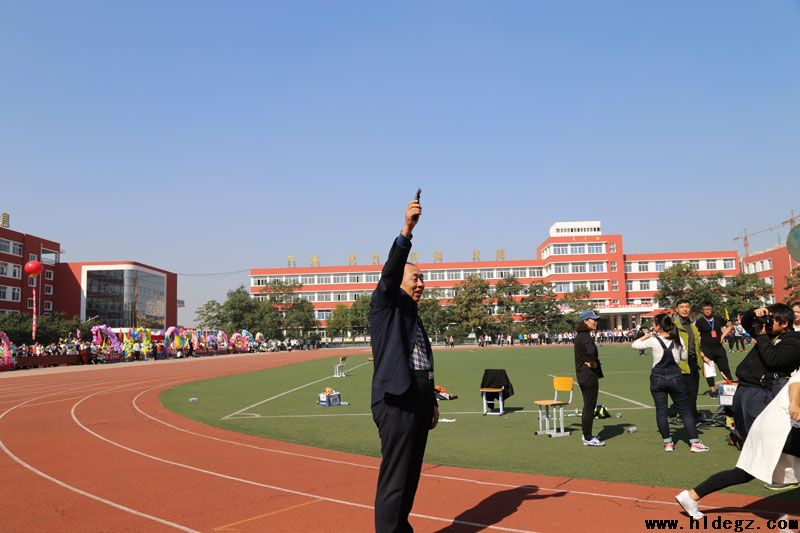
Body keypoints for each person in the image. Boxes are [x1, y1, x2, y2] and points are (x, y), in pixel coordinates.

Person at [369, 196, 439, 532]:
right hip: (396, 399)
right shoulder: (385, 303)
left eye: (424, 278)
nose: (422, 283)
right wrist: (407, 231)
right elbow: (392, 269)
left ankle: (401, 528)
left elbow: (422, 360)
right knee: (395, 478)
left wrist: (432, 400)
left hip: (419, 398)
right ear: (399, 281)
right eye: (417, 278)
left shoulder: (413, 314)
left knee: (411, 474)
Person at [675, 370, 800, 519]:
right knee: (746, 471)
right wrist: (794, 403)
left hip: (775, 427)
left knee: (744, 473)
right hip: (780, 428)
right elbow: (796, 382)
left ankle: (691, 496)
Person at [631, 314, 709, 452]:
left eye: (655, 324)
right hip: (676, 377)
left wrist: (648, 335)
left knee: (661, 411)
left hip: (657, 378)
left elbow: (635, 345)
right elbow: (684, 357)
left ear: (658, 326)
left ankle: (668, 443)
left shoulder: (654, 340)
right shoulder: (678, 339)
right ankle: (694, 443)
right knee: (685, 411)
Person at [667, 299, 704, 421]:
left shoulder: (692, 326)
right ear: (676, 310)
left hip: (693, 362)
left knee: (693, 393)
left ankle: (683, 414)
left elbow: (696, 346)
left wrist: (702, 361)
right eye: (681, 307)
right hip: (680, 364)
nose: (684, 309)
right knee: (686, 393)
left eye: (687, 306)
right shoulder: (673, 326)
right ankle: (690, 418)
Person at [574, 310, 605, 447]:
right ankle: (587, 437)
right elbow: (591, 351)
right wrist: (592, 361)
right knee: (589, 406)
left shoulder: (582, 335)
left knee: (588, 405)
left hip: (583, 375)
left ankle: (587, 434)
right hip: (588, 375)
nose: (596, 322)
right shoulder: (585, 336)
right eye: (593, 319)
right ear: (585, 321)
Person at [694, 302, 733, 398]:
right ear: (702, 311)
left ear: (712, 309)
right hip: (706, 349)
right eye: (705, 309)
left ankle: (730, 387)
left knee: (725, 368)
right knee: (709, 371)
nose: (707, 311)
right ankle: (713, 390)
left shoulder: (718, 318)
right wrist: (700, 352)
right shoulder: (699, 322)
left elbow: (730, 325)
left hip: (719, 348)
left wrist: (723, 335)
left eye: (709, 309)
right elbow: (697, 336)